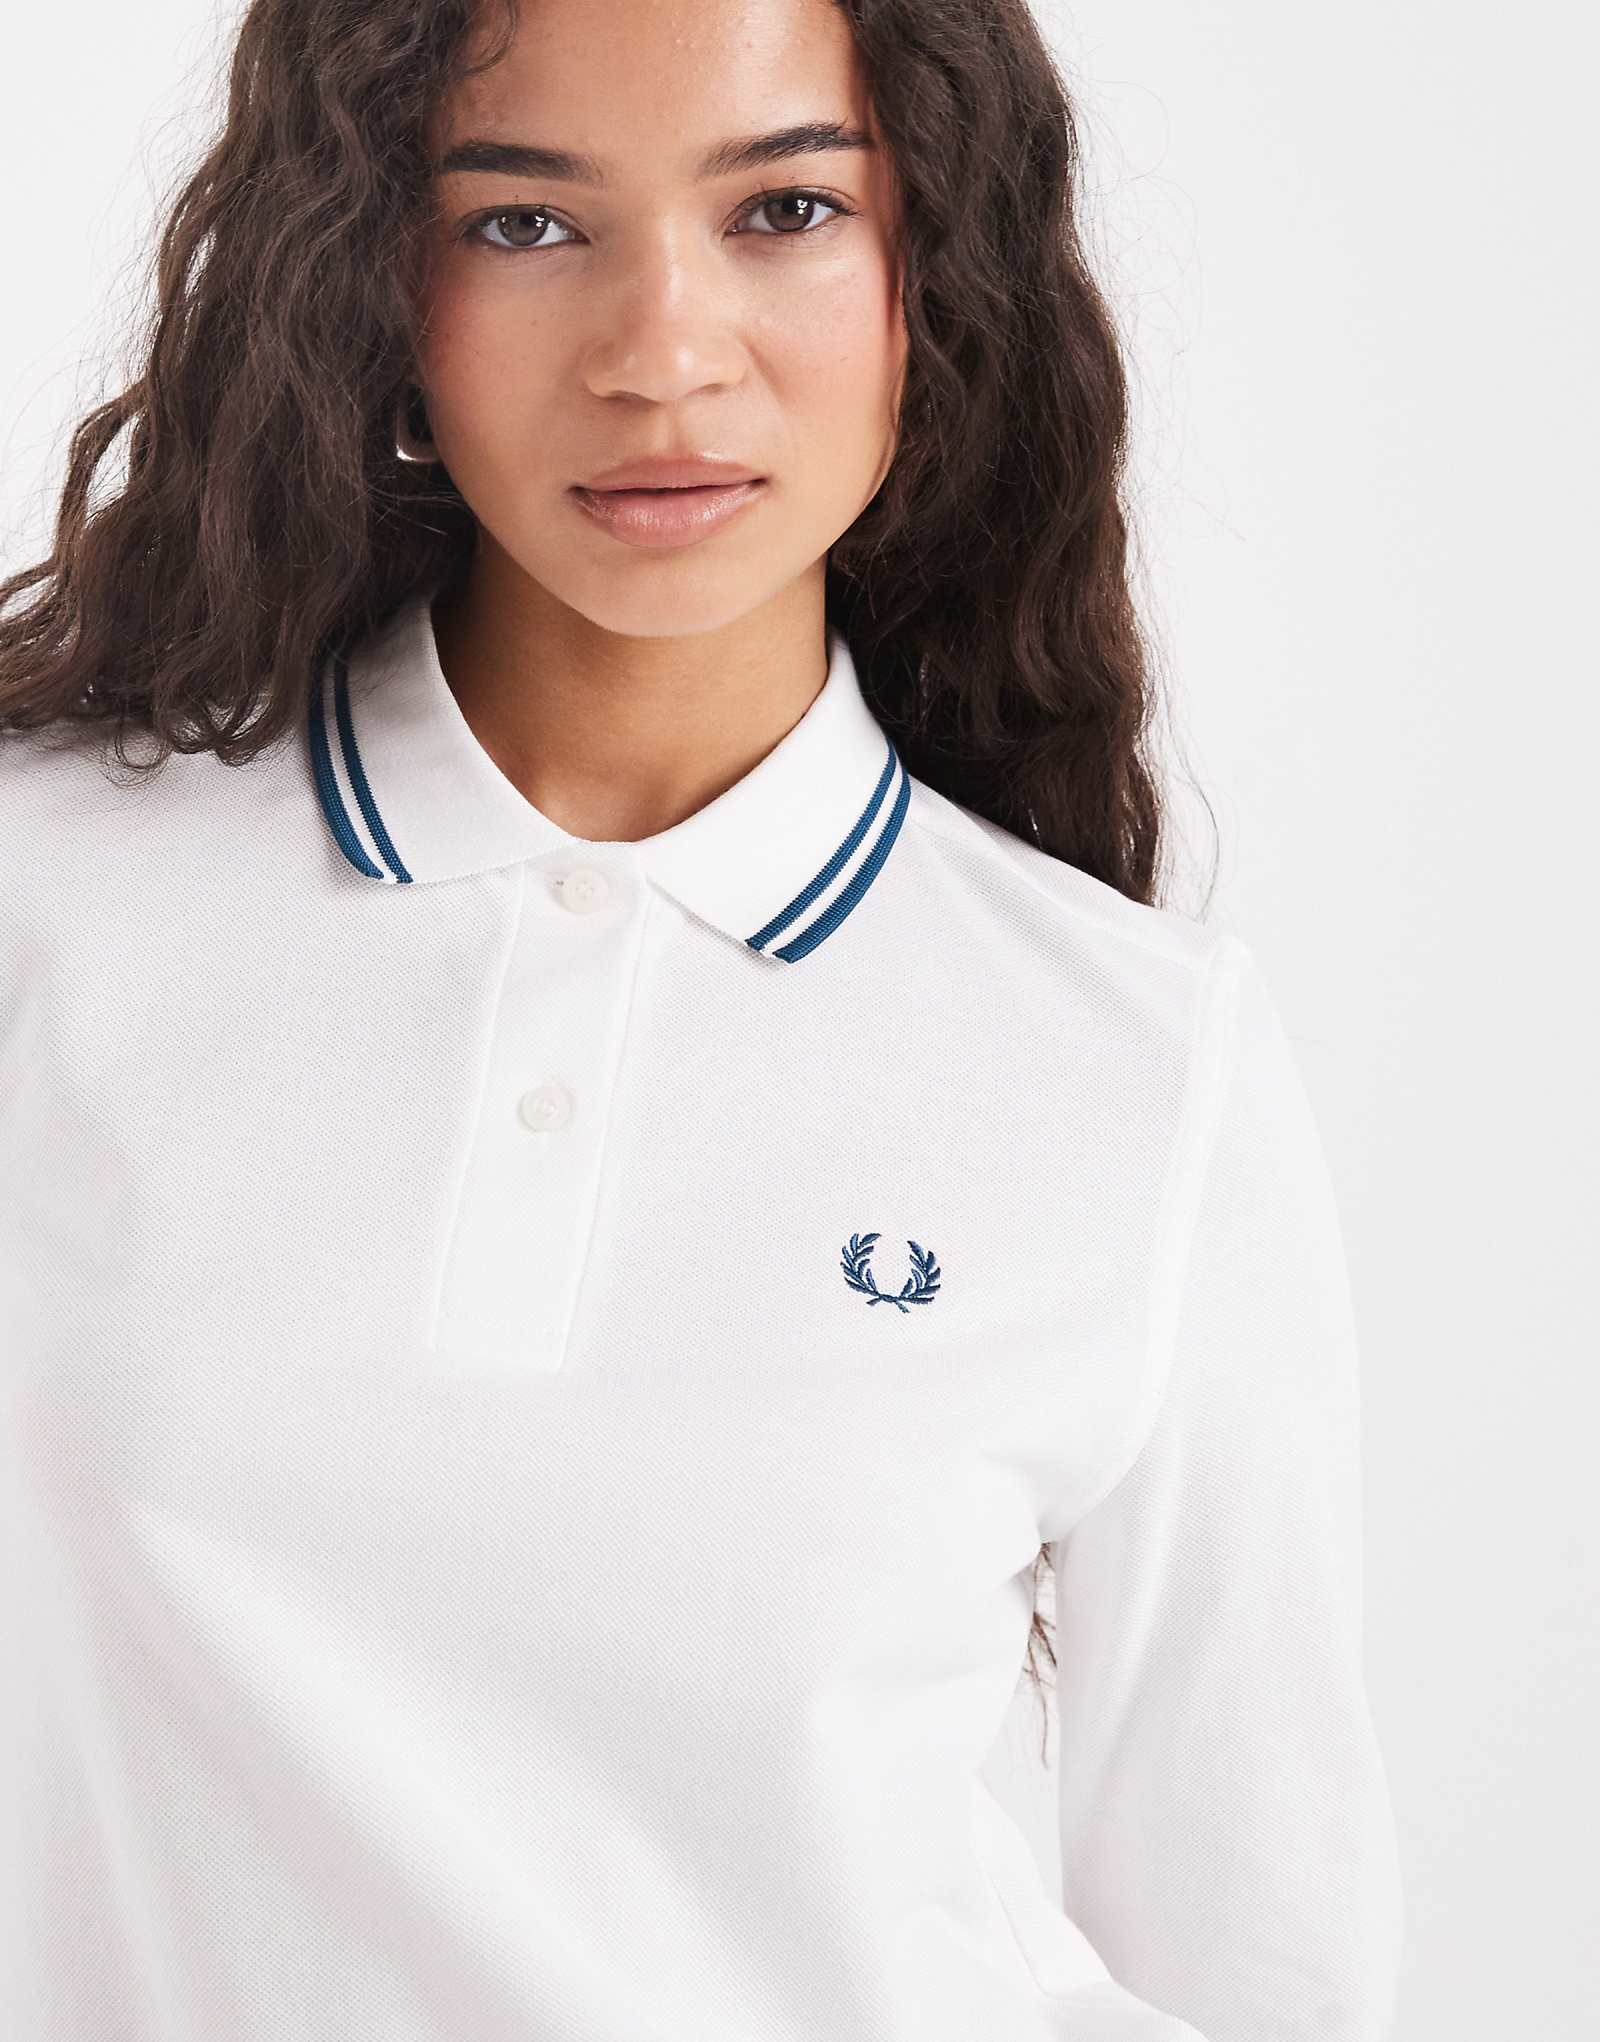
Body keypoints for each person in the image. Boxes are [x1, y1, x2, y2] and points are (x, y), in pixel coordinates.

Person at [0, 0, 1404, 2036]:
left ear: (938, 269)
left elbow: (1264, 1954)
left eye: (785, 209)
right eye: (523, 224)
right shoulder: (50, 900)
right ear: (373, 281)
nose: (662, 352)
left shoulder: (1138, 1057)